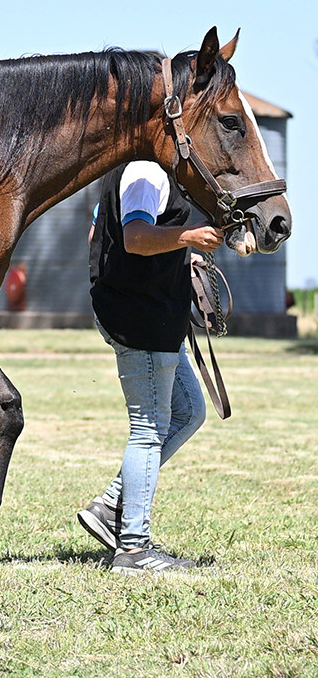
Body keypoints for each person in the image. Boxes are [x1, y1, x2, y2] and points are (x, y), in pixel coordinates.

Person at [79, 160, 224, 574]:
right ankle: (133, 549)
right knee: (147, 430)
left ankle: (110, 506)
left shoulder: (132, 172)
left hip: (152, 317)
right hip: (143, 319)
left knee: (189, 410)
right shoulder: (147, 172)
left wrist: (175, 262)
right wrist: (189, 238)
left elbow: (96, 233)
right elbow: (136, 238)